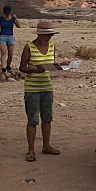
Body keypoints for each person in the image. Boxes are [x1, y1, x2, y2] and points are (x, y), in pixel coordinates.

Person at [19, 20, 62, 162]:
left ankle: (46, 146)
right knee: (32, 119)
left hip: (47, 86)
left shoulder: (52, 46)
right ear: (39, 34)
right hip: (32, 88)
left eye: (51, 35)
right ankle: (31, 150)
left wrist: (61, 66)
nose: (49, 37)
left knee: (47, 118)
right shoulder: (29, 47)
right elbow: (22, 67)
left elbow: (51, 64)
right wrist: (35, 69)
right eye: (47, 35)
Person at [0, 5, 21, 73]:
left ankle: (8, 65)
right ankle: (3, 67)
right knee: (3, 53)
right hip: (2, 37)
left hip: (10, 37)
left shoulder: (13, 19)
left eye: (8, 13)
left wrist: (16, 19)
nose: (7, 14)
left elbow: (19, 26)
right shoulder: (0, 19)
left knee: (10, 54)